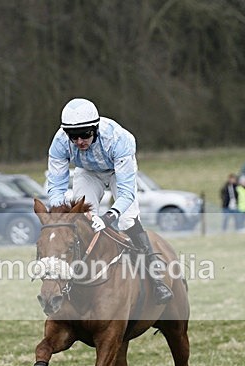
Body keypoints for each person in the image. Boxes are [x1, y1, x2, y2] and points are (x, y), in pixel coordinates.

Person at [45, 97, 173, 304]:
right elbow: (56, 187)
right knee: (82, 221)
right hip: (87, 173)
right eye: (73, 136)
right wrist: (59, 214)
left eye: (85, 134)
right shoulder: (59, 142)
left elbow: (126, 193)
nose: (79, 141)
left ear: (95, 129)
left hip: (117, 173)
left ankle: (155, 278)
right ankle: (75, 280)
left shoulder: (118, 139)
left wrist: (108, 217)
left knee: (127, 220)